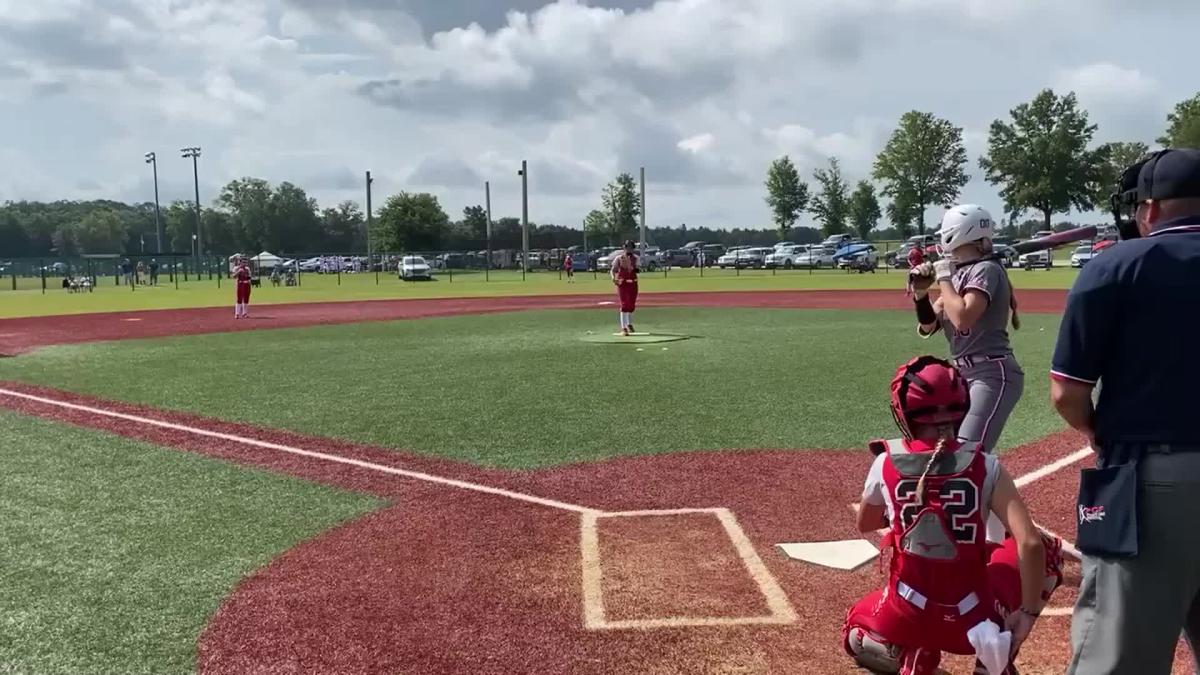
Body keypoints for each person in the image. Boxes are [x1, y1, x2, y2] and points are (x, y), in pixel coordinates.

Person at [1051, 148, 1200, 675]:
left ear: (1151, 208)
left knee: (1116, 654)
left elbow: (1067, 393)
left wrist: (1097, 430)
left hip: (1154, 477)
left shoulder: (1115, 265)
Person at [843, 355, 1063, 675]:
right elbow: (1030, 544)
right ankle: (995, 658)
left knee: (853, 634)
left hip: (905, 613)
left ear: (904, 411)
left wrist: (915, 513)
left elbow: (865, 523)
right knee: (1047, 550)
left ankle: (915, 652)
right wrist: (1026, 615)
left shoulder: (884, 463)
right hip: (972, 622)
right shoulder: (985, 465)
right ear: (963, 404)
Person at [610, 239, 639, 335]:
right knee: (624, 304)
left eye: (631, 247)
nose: (629, 249)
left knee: (631, 305)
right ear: (624, 247)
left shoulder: (636, 258)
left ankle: (629, 324)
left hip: (633, 284)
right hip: (623, 283)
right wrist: (614, 278)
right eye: (627, 247)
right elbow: (613, 270)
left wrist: (633, 267)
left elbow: (638, 270)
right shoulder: (619, 258)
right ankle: (623, 327)